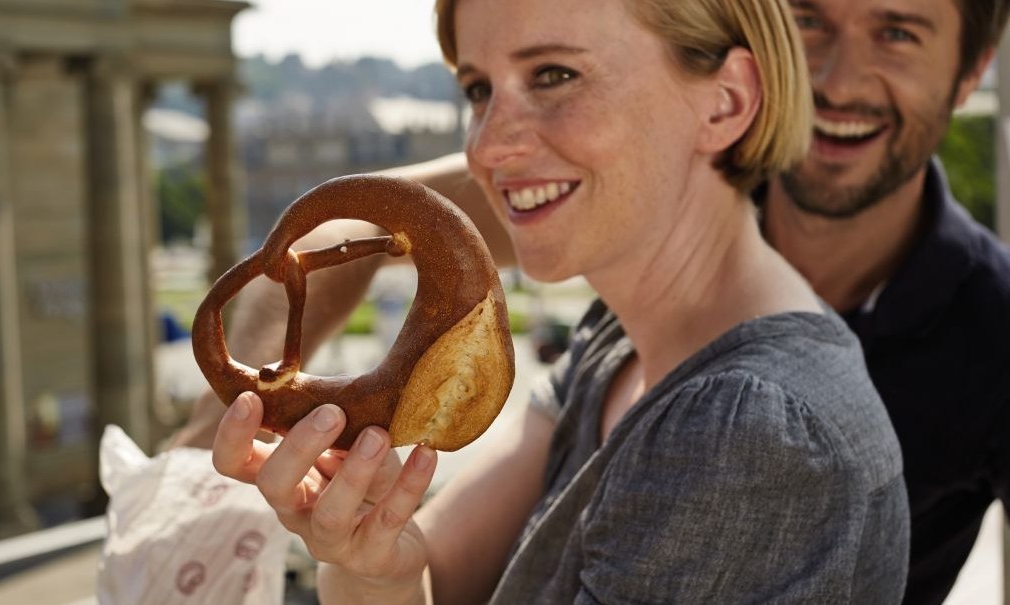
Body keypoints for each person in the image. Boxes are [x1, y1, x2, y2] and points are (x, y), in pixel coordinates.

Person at [174, 0, 1010, 601]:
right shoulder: (623, 336)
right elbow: (427, 576)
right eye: (477, 88)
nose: (489, 143)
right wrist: (364, 560)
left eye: (556, 75)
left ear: (727, 101)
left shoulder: (747, 430)